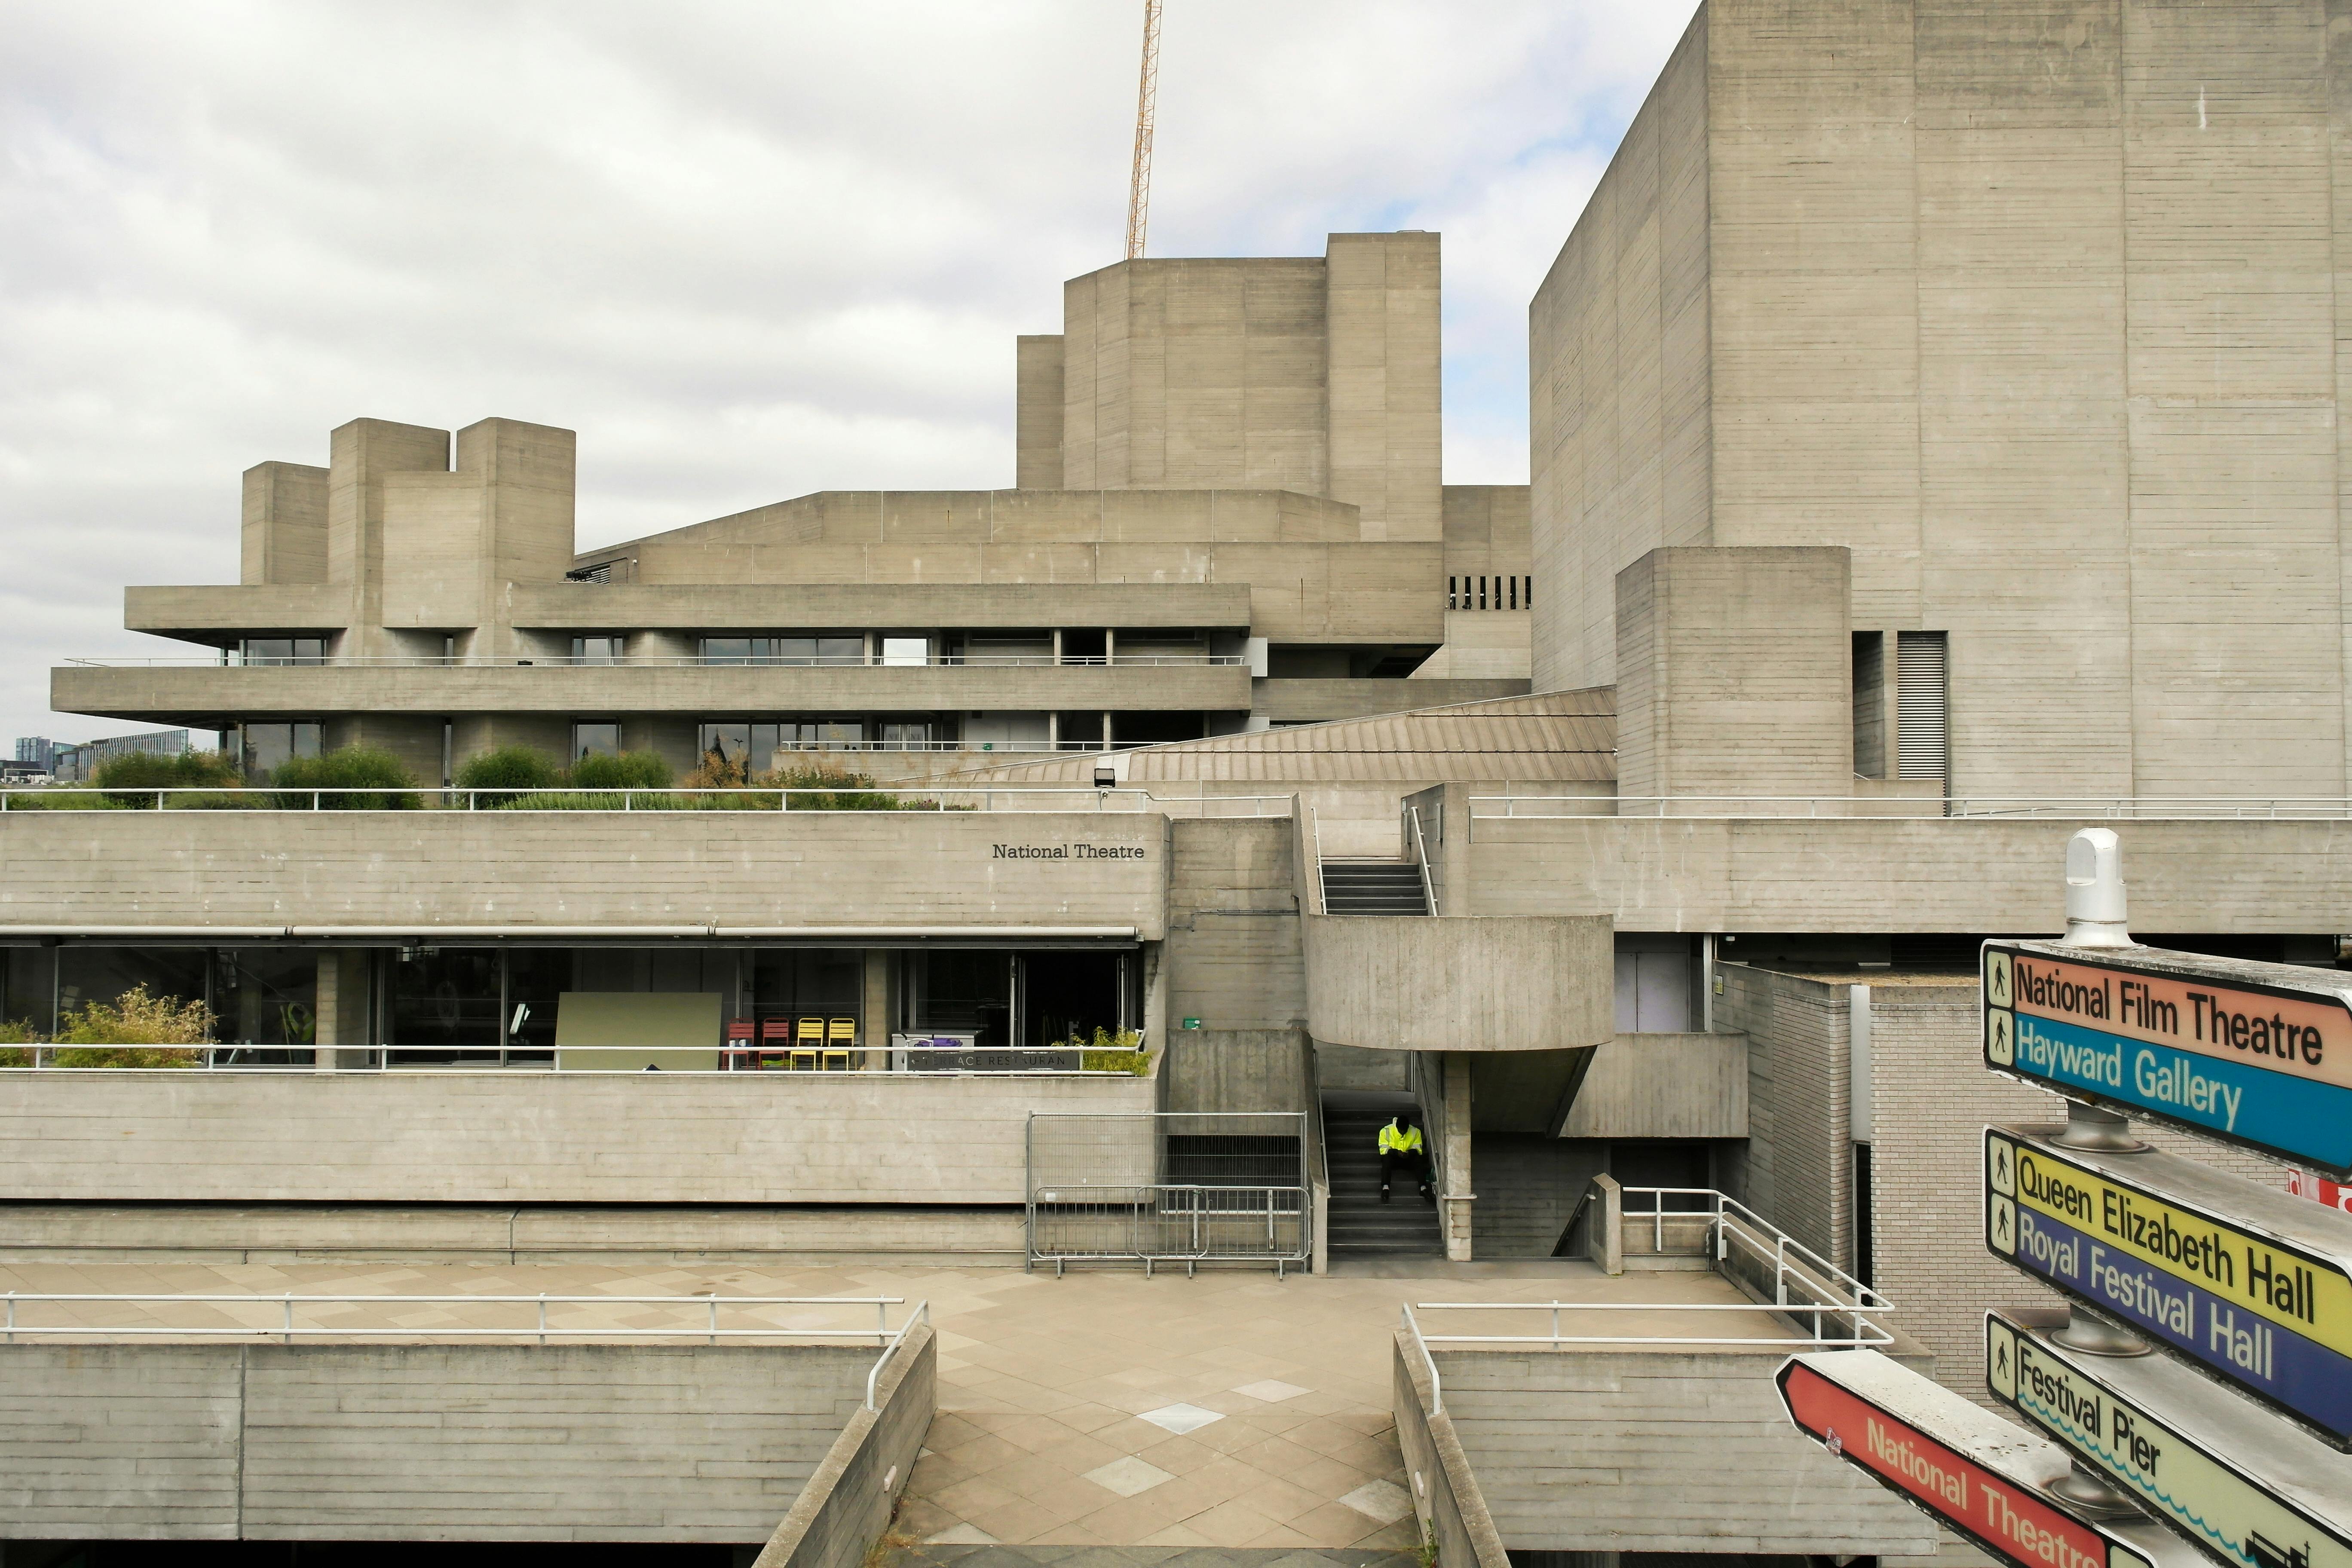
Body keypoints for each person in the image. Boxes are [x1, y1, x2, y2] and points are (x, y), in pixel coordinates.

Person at [1377, 1111, 1431, 1204]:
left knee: (1418, 1159)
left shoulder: (1415, 1132)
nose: (1403, 1133)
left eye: (1405, 1131)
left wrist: (1409, 1153)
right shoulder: (1385, 1131)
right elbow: (1383, 1149)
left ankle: (1423, 1188)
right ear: (1397, 1127)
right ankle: (1385, 1188)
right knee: (1386, 1159)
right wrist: (1396, 1153)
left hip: (1408, 1158)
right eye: (1401, 1131)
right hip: (1394, 1158)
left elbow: (1418, 1149)